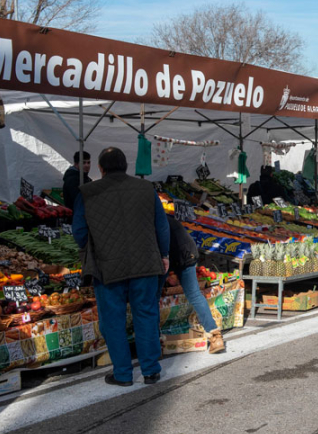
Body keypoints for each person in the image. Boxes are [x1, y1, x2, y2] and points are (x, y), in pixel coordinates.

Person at [72, 148, 169, 387]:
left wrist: (95, 246)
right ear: (126, 166)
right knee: (146, 315)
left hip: (107, 265)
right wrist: (164, 254)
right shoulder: (147, 189)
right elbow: (162, 226)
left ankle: (123, 374)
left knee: (112, 320)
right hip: (146, 262)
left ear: (101, 169)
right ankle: (151, 371)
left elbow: (79, 233)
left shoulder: (87, 192)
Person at [164, 216, 225, 353]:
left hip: (174, 256)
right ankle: (216, 337)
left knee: (152, 299)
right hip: (188, 253)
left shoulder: (151, 219)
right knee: (195, 295)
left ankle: (154, 343)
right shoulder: (166, 217)